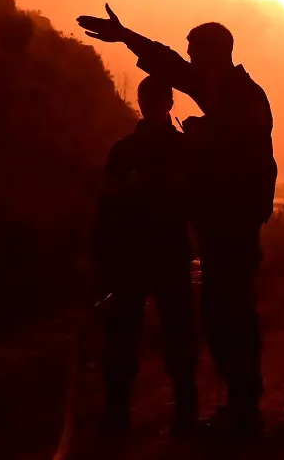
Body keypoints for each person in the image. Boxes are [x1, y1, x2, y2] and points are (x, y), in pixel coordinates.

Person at [78, 4, 277, 440]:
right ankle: (236, 409)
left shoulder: (243, 96)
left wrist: (208, 139)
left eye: (194, 53)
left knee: (232, 317)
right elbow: (169, 63)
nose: (187, 61)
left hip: (234, 227)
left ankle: (243, 411)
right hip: (218, 228)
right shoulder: (218, 88)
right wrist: (127, 35)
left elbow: (253, 161)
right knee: (219, 317)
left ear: (213, 54)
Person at [94, 76, 198, 435]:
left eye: (155, 99)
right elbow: (108, 207)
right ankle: (167, 413)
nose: (152, 105)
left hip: (151, 253)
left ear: (166, 103)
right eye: (149, 100)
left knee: (165, 334)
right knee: (144, 335)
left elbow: (107, 207)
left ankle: (171, 413)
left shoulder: (131, 150)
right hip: (144, 254)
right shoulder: (151, 150)